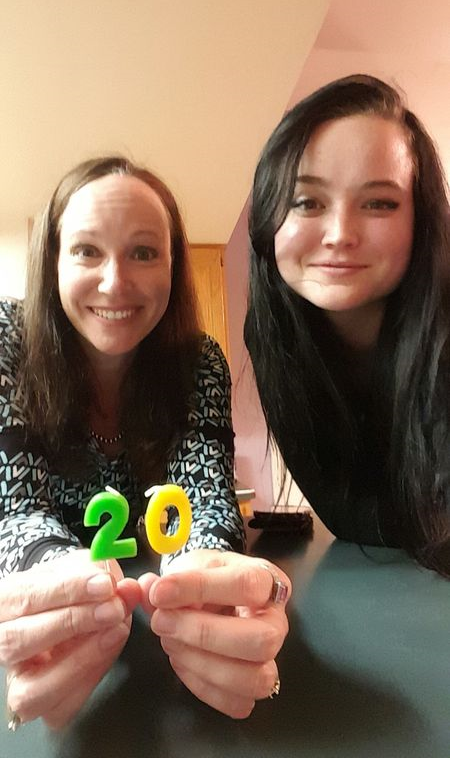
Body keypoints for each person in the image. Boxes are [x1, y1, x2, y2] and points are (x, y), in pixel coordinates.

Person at [0, 156, 290, 729]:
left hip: (160, 622)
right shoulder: (8, 339)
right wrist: (63, 572)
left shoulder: (198, 361)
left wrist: (201, 575)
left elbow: (206, 498)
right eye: (86, 251)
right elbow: (15, 506)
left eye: (143, 252)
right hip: (49, 622)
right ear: (53, 262)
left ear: (173, 267)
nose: (115, 281)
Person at [244, 74, 450, 578]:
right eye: (307, 202)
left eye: (379, 203)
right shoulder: (274, 332)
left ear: (420, 219)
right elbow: (349, 518)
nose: (340, 234)